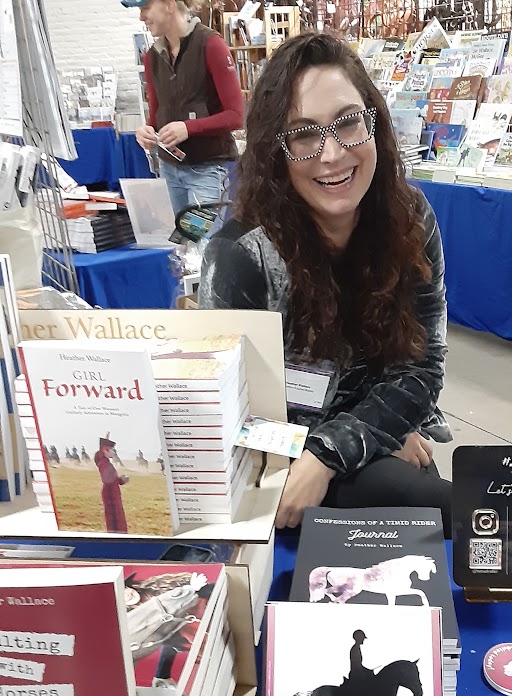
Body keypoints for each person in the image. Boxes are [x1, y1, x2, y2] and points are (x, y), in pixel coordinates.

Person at [198, 33, 453, 536]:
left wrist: (351, 443)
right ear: (275, 151)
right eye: (303, 135)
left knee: (431, 508)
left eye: (348, 122)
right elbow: (228, 410)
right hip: (284, 466)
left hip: (366, 440)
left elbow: (422, 367)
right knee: (428, 504)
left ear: (374, 123)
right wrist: (347, 447)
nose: (332, 153)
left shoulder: (409, 217)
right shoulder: (242, 253)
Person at [122, 0, 244, 214]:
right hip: (169, 170)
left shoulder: (211, 45)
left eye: (145, 8)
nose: (141, 17)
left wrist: (188, 128)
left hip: (207, 170)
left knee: (201, 235)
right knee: (181, 236)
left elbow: (236, 115)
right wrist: (148, 131)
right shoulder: (152, 57)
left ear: (169, 5)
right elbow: (156, 115)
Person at [94, 436, 129, 533]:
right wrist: (120, 480)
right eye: (112, 450)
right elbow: (108, 479)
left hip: (112, 492)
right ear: (106, 450)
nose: (114, 452)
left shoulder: (106, 462)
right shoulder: (104, 463)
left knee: (116, 515)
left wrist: (121, 480)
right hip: (110, 493)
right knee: (114, 516)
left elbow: (112, 479)